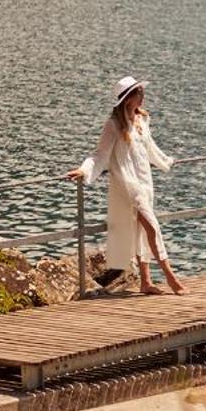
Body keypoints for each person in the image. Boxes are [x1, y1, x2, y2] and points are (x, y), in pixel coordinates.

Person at [64, 76, 183, 295]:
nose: (143, 96)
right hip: (128, 184)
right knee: (151, 226)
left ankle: (145, 281)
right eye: (138, 92)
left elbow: (150, 149)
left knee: (140, 231)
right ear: (128, 98)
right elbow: (100, 155)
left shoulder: (142, 120)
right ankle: (169, 275)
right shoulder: (114, 124)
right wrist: (83, 170)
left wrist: (167, 161)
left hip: (145, 182)